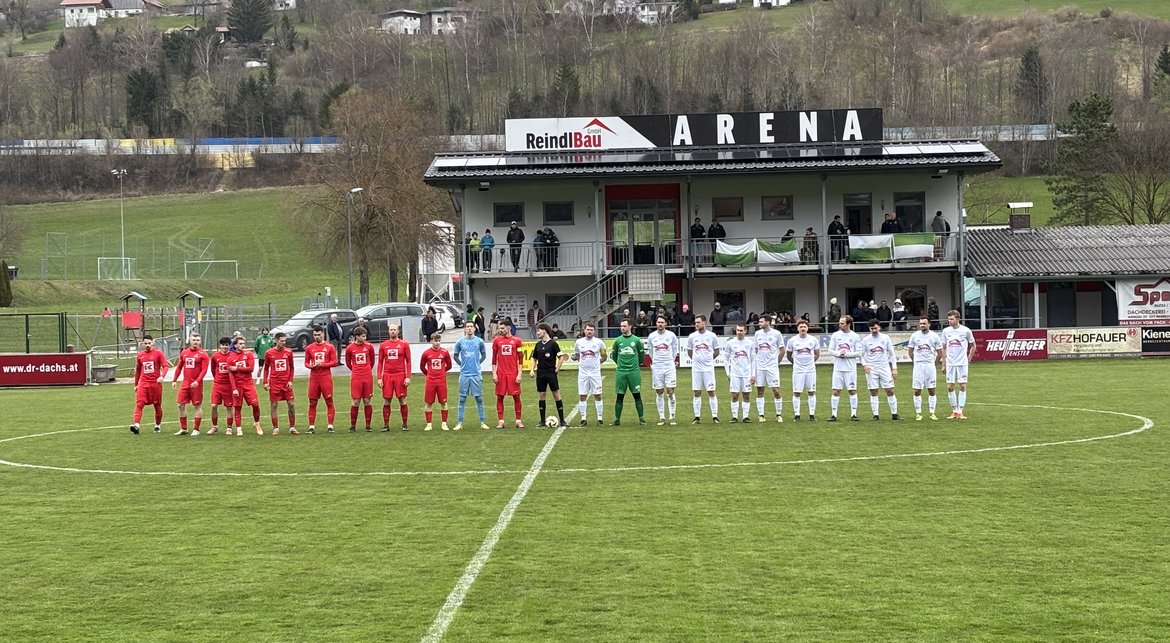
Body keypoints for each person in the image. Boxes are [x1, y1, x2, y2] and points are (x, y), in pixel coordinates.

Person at [860, 319, 899, 421]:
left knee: (890, 390)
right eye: (872, 328)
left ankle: (894, 414)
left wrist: (894, 368)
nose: (874, 330)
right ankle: (875, 415)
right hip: (871, 368)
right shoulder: (865, 340)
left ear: (879, 327)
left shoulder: (886, 338)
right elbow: (861, 355)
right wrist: (865, 365)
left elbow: (892, 354)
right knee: (873, 391)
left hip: (884, 367)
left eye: (875, 328)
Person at [452, 322, 489, 430]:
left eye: (471, 326)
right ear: (465, 329)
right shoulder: (460, 342)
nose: (469, 328)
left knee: (479, 398)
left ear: (474, 328)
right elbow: (455, 356)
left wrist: (477, 364)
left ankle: (482, 422)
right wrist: (462, 365)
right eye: (467, 326)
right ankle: (459, 423)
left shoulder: (479, 341)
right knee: (462, 399)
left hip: (476, 374)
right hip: (464, 374)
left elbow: (484, 355)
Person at [130, 334, 169, 434]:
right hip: (143, 384)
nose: (147, 345)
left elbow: (165, 366)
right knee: (139, 404)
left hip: (155, 384)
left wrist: (162, 376)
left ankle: (157, 425)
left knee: (157, 405)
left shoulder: (158, 353)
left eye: (149, 343)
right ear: (143, 344)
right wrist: (136, 384)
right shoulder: (140, 355)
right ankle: (136, 426)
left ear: (153, 343)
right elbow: (138, 371)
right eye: (145, 343)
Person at [941, 310, 977, 419]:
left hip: (962, 363)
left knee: (962, 385)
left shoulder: (966, 330)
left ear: (958, 319)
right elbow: (943, 348)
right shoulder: (946, 331)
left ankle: (960, 411)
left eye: (951, 319)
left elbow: (973, 345)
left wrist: (968, 359)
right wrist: (943, 364)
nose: (949, 321)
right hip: (950, 363)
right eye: (948, 319)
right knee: (950, 386)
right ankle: (954, 411)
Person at [171, 333, 209, 436]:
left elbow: (204, 370)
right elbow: (179, 367)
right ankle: (184, 428)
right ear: (190, 341)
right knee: (180, 405)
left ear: (200, 341)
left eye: (197, 340)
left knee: (197, 406)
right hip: (185, 383)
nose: (196, 342)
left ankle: (196, 429)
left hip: (196, 385)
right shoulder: (184, 353)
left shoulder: (203, 354)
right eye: (194, 340)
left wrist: (197, 381)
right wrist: (174, 380)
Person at [529, 322, 566, 427]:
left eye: (539, 330)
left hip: (551, 372)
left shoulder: (553, 344)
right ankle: (542, 421)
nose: (537, 333)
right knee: (542, 394)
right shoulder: (538, 345)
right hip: (541, 372)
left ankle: (562, 420)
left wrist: (557, 369)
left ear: (544, 331)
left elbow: (561, 357)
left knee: (556, 394)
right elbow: (534, 358)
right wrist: (532, 370)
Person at [908, 316, 944, 421]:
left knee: (931, 390)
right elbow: (910, 351)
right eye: (921, 323)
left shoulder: (934, 336)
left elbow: (940, 352)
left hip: (930, 365)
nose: (922, 325)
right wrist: (915, 361)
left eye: (924, 323)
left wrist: (934, 363)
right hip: (918, 366)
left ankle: (932, 412)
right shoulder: (915, 335)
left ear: (929, 324)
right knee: (917, 390)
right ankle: (918, 413)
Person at [686, 315, 721, 423]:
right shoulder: (692, 336)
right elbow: (689, 351)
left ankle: (715, 416)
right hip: (696, 369)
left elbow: (717, 351)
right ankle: (697, 417)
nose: (696, 324)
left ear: (704, 323)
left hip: (708, 369)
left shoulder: (712, 336)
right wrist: (697, 360)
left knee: (711, 391)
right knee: (697, 392)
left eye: (698, 322)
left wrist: (708, 360)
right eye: (695, 322)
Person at [610, 319, 646, 426]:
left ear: (630, 326)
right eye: (621, 326)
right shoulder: (617, 341)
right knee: (619, 396)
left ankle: (641, 419)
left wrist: (635, 365)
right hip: (621, 372)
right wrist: (620, 364)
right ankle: (617, 419)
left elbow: (642, 356)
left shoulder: (637, 340)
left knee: (637, 395)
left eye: (624, 326)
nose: (622, 328)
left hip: (634, 372)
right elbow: (614, 356)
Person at [262, 331, 298, 435]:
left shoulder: (288, 352)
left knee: (291, 404)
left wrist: (290, 380)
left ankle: (292, 427)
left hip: (286, 383)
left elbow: (292, 367)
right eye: (281, 341)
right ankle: (276, 428)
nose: (283, 343)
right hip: (274, 383)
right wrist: (265, 382)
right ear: (276, 341)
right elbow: (266, 368)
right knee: (274, 405)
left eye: (284, 341)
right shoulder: (269, 353)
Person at [305, 325, 339, 434]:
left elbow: (334, 362)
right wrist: (311, 366)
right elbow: (306, 363)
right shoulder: (309, 348)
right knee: (312, 402)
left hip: (325, 378)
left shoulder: (329, 347)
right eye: (315, 335)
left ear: (323, 334)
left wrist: (322, 364)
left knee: (329, 401)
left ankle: (330, 426)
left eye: (319, 334)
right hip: (314, 378)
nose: (317, 337)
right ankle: (311, 427)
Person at [377, 324, 411, 432]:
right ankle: (386, 425)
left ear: (398, 331)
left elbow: (408, 361)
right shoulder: (383, 345)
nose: (392, 331)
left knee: (402, 400)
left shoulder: (404, 344)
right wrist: (379, 378)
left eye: (394, 330)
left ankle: (405, 424)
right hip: (387, 375)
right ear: (388, 331)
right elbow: (380, 362)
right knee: (387, 400)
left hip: (400, 375)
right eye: (391, 330)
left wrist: (408, 377)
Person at [573, 322, 608, 426]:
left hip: (595, 373)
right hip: (583, 373)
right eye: (588, 329)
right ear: (584, 330)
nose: (589, 331)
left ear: (594, 331)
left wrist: (597, 364)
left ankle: (600, 418)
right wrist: (580, 362)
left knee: (597, 395)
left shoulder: (599, 342)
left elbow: (604, 356)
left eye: (591, 330)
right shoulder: (578, 342)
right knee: (582, 395)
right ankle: (583, 418)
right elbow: (577, 355)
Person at [785, 320, 820, 421]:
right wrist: (796, 363)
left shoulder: (813, 340)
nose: (803, 328)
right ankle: (797, 415)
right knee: (797, 392)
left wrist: (811, 362)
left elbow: (817, 353)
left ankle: (812, 415)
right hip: (798, 370)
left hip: (810, 370)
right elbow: (789, 355)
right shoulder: (792, 340)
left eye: (804, 327)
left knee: (811, 391)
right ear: (797, 328)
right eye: (801, 327)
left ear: (807, 328)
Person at [828, 315, 861, 422]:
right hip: (838, 368)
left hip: (850, 368)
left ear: (848, 324)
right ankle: (833, 414)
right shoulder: (835, 335)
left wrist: (847, 354)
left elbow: (859, 352)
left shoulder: (855, 336)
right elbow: (830, 350)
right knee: (836, 391)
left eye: (842, 323)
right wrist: (839, 353)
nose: (840, 325)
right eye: (840, 323)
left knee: (852, 390)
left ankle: (854, 414)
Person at [344, 326, 377, 432]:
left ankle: (368, 426)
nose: (364, 338)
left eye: (365, 336)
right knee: (355, 401)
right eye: (363, 336)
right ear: (357, 336)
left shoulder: (369, 347)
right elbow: (348, 362)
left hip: (367, 377)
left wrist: (366, 370)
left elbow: (372, 361)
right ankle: (353, 426)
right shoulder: (350, 348)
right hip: (356, 377)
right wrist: (355, 370)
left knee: (367, 400)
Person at [753, 314, 785, 423]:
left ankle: (778, 414)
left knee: (776, 391)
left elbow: (782, 350)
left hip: (772, 367)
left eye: (761, 322)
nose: (759, 323)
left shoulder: (777, 334)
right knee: (760, 390)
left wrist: (776, 362)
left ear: (767, 322)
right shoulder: (757, 334)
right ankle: (761, 415)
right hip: (760, 367)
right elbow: (755, 350)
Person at [648, 315, 679, 426]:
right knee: (659, 391)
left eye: (662, 322)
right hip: (657, 367)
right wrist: (656, 362)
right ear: (656, 323)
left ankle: (672, 416)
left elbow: (675, 349)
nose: (660, 324)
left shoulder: (671, 335)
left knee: (670, 391)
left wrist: (670, 360)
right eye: (658, 322)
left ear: (665, 323)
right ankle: (661, 417)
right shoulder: (652, 336)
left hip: (669, 366)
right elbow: (650, 351)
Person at [492, 322, 525, 428]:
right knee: (500, 397)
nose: (500, 330)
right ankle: (501, 421)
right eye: (499, 328)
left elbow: (520, 358)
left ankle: (518, 420)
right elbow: (494, 359)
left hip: (513, 373)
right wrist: (494, 373)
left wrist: (519, 373)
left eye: (502, 328)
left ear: (508, 328)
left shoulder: (517, 341)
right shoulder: (497, 340)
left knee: (516, 396)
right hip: (501, 373)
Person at [229, 335, 263, 435]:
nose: (243, 345)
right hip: (237, 385)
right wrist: (234, 388)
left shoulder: (249, 355)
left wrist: (237, 368)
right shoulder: (230, 358)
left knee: (255, 404)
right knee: (237, 407)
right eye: (240, 344)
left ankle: (256, 423)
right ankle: (239, 428)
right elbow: (231, 374)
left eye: (244, 343)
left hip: (248, 384)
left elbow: (250, 369)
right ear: (235, 345)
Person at [420, 332, 453, 431]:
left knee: (443, 402)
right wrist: (429, 374)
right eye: (435, 340)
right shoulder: (426, 353)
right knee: (428, 403)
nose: (437, 343)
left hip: (441, 381)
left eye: (439, 341)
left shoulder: (445, 352)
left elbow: (449, 365)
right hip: (430, 381)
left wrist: (442, 372)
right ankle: (429, 424)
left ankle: (444, 424)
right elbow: (422, 367)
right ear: (431, 341)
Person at [724, 323, 755, 424]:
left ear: (745, 331)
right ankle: (734, 416)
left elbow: (753, 360)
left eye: (741, 330)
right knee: (735, 395)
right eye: (738, 330)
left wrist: (753, 374)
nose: (739, 332)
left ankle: (746, 416)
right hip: (735, 374)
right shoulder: (730, 343)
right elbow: (726, 358)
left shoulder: (750, 343)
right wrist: (728, 373)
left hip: (746, 374)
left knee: (746, 395)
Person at [207, 337, 236, 435]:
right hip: (218, 384)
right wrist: (217, 379)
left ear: (229, 346)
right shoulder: (215, 356)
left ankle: (229, 427)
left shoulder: (233, 356)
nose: (225, 347)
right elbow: (213, 369)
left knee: (229, 407)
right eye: (223, 345)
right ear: (220, 346)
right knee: (214, 405)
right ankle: (214, 426)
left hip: (229, 385)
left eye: (227, 345)